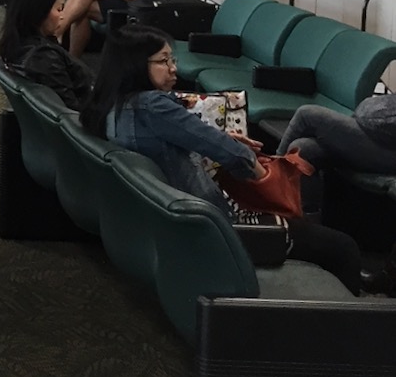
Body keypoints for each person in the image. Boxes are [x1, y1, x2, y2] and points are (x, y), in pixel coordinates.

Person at [81, 26, 363, 294]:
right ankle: (360, 323)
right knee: (342, 247)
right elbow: (232, 154)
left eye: (172, 59)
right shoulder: (152, 105)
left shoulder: (112, 104)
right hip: (218, 233)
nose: (173, 68)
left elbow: (184, 139)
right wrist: (259, 172)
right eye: (163, 60)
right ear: (134, 65)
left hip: (174, 222)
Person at [0, 0, 94, 110]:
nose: (63, 15)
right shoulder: (44, 58)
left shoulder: (16, 44)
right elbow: (71, 111)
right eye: (59, 9)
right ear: (39, 11)